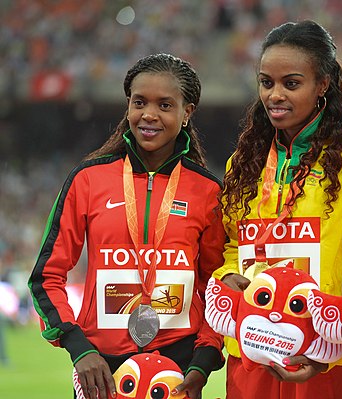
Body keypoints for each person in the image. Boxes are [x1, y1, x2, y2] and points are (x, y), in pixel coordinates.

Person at [28, 53, 225, 399]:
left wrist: (203, 360)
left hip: (178, 371)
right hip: (100, 371)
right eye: (139, 102)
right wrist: (80, 348)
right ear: (128, 107)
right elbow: (46, 277)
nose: (149, 114)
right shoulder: (87, 180)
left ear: (187, 113)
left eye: (165, 105)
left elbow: (216, 287)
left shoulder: (207, 191)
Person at [213, 20, 342, 399]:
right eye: (266, 82)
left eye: (291, 83)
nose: (274, 95)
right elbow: (232, 247)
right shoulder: (242, 164)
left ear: (322, 84)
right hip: (250, 353)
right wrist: (227, 277)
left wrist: (329, 352)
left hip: (321, 359)